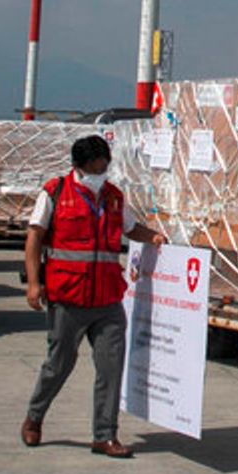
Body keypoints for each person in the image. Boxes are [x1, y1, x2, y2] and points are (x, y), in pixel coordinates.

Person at [21, 134, 167, 457]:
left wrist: (153, 236)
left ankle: (105, 435)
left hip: (107, 299)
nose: (100, 173)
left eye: (105, 167)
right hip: (68, 296)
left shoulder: (114, 197)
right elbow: (34, 238)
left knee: (111, 367)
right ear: (79, 167)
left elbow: (131, 229)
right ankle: (34, 417)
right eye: (95, 168)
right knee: (58, 365)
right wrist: (34, 283)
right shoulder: (55, 192)